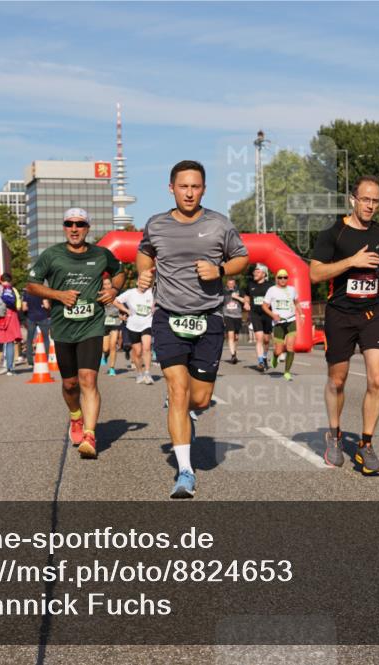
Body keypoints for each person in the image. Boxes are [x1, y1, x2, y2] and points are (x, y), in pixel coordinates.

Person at [137, 160, 249, 498]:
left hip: (209, 317)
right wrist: (145, 272)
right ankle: (185, 472)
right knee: (178, 390)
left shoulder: (219, 224)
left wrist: (220, 269)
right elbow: (144, 253)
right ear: (171, 188)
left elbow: (242, 257)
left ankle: (187, 414)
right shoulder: (156, 224)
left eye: (195, 186)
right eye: (183, 186)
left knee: (199, 400)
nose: (189, 192)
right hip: (169, 316)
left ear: (203, 188)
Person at [310, 175, 379, 474]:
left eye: (375, 201)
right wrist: (351, 262)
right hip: (340, 314)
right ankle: (334, 435)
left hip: (374, 313)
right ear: (353, 199)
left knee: (377, 380)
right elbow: (315, 274)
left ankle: (366, 445)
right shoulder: (333, 234)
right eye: (365, 200)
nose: (370, 206)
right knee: (337, 380)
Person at [26, 207, 124, 458]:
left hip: (91, 325)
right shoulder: (52, 255)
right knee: (70, 385)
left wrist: (113, 290)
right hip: (62, 327)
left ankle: (90, 435)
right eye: (69, 223)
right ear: (64, 227)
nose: (74, 228)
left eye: (79, 224)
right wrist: (58, 295)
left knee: (88, 380)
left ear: (87, 228)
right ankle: (76, 416)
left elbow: (120, 272)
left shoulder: (102, 254)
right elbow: (32, 285)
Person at [261, 269, 302, 380]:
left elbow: (297, 302)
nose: (283, 279)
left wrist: (301, 315)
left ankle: (287, 372)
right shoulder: (272, 290)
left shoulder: (292, 290)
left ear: (287, 278)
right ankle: (275, 356)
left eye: (285, 277)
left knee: (290, 347)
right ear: (277, 279)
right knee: (278, 350)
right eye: (280, 277)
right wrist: (273, 315)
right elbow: (264, 306)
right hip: (278, 323)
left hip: (291, 321)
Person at [115, 283, 155, 384]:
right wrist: (126, 310)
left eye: (146, 282)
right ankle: (139, 373)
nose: (144, 284)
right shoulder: (130, 293)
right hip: (133, 325)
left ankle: (147, 373)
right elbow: (115, 301)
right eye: (141, 281)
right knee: (137, 352)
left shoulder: (152, 292)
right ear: (137, 282)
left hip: (147, 324)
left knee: (147, 347)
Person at [244, 264, 273, 371]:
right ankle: (260, 361)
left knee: (266, 339)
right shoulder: (250, 284)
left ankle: (264, 356)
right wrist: (246, 303)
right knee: (259, 338)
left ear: (264, 273)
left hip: (267, 314)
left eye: (257, 271)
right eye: (254, 271)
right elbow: (247, 296)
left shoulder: (270, 285)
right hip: (255, 314)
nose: (254, 273)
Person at [22, 288, 52, 367]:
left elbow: (24, 307)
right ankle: (46, 358)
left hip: (31, 318)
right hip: (42, 317)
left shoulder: (26, 293)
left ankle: (30, 362)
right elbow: (46, 305)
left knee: (29, 339)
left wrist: (30, 309)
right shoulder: (42, 292)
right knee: (46, 338)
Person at [222, 277, 245, 364]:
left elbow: (245, 300)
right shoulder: (223, 291)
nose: (231, 285)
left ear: (235, 284)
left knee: (236, 337)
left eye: (233, 284)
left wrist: (237, 297)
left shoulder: (239, 291)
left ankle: (234, 352)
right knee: (230, 335)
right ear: (227, 284)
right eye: (229, 283)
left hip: (238, 316)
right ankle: (232, 355)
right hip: (228, 315)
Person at [102, 291, 122, 376]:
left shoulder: (117, 298)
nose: (107, 286)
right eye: (105, 284)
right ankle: (105, 355)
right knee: (106, 348)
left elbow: (122, 309)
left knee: (113, 344)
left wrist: (122, 315)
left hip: (115, 323)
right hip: (104, 324)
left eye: (109, 284)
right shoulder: (101, 298)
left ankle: (112, 368)